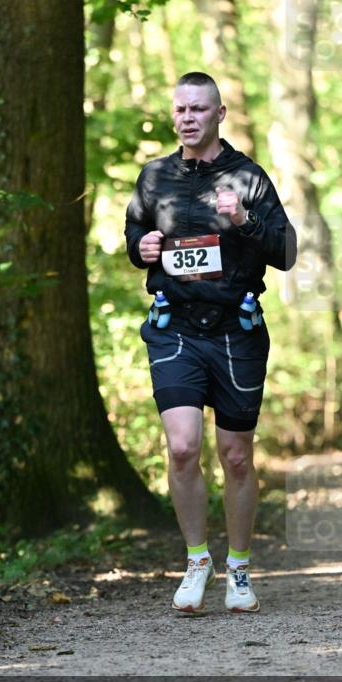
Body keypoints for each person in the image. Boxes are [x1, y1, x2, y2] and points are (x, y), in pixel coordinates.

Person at [124, 71, 297, 615]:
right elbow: (134, 238)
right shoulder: (153, 178)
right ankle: (198, 560)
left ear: (220, 114)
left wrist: (244, 221)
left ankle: (239, 568)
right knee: (181, 447)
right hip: (174, 327)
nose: (188, 117)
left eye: (199, 109)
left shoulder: (247, 176)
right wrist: (143, 245)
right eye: (180, 109)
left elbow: (287, 251)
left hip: (235, 332)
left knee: (237, 457)